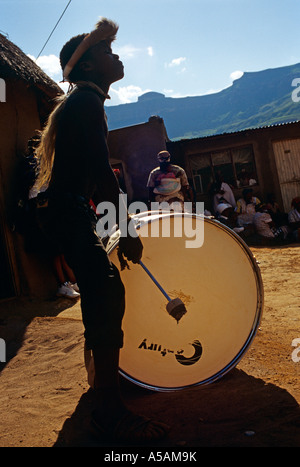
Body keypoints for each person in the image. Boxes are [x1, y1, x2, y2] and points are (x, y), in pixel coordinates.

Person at [34, 18, 169, 443]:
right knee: (107, 289)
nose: (117, 56)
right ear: (88, 67)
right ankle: (108, 409)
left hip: (68, 211)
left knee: (101, 289)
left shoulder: (85, 102)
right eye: (108, 52)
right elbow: (102, 172)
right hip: (69, 212)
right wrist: (124, 226)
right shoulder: (87, 104)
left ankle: (102, 386)